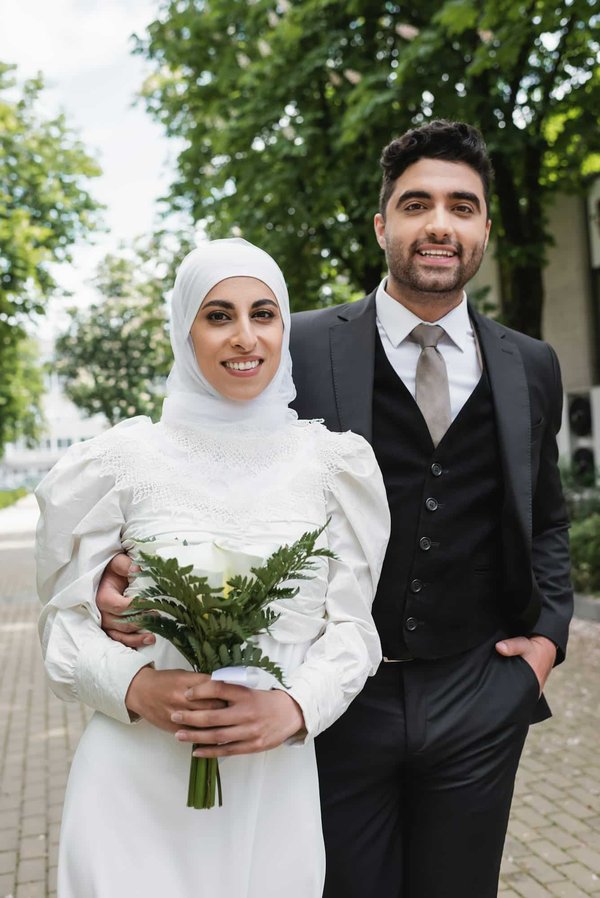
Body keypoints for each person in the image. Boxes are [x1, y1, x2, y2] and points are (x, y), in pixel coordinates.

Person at [98, 121, 573, 898]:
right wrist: (126, 575)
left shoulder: (531, 364)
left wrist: (547, 644)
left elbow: (545, 515)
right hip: (330, 701)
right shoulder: (299, 345)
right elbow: (203, 463)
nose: (440, 224)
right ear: (384, 224)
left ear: (485, 226)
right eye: (417, 204)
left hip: (478, 693)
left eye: (462, 205)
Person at [35, 239, 390, 898]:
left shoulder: (335, 467)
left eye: (263, 313)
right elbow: (62, 629)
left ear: (285, 327)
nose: (244, 336)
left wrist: (295, 707)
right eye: (218, 315)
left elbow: (353, 630)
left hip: (271, 793)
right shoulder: (116, 463)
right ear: (184, 329)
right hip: (132, 782)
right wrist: (136, 688)